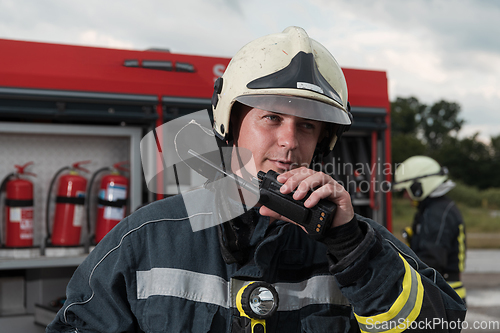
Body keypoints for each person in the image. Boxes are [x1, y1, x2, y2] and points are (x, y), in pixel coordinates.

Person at [47, 27, 466, 333]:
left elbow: (437, 327)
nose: (289, 141)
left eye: (306, 126)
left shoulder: (358, 244)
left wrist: (354, 251)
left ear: (321, 142)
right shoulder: (149, 238)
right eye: (272, 117)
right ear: (230, 123)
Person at [394, 156, 467, 302]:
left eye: (407, 189)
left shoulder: (438, 213)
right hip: (441, 292)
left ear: (419, 187)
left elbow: (432, 260)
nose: (405, 195)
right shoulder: (434, 209)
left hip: (442, 296)